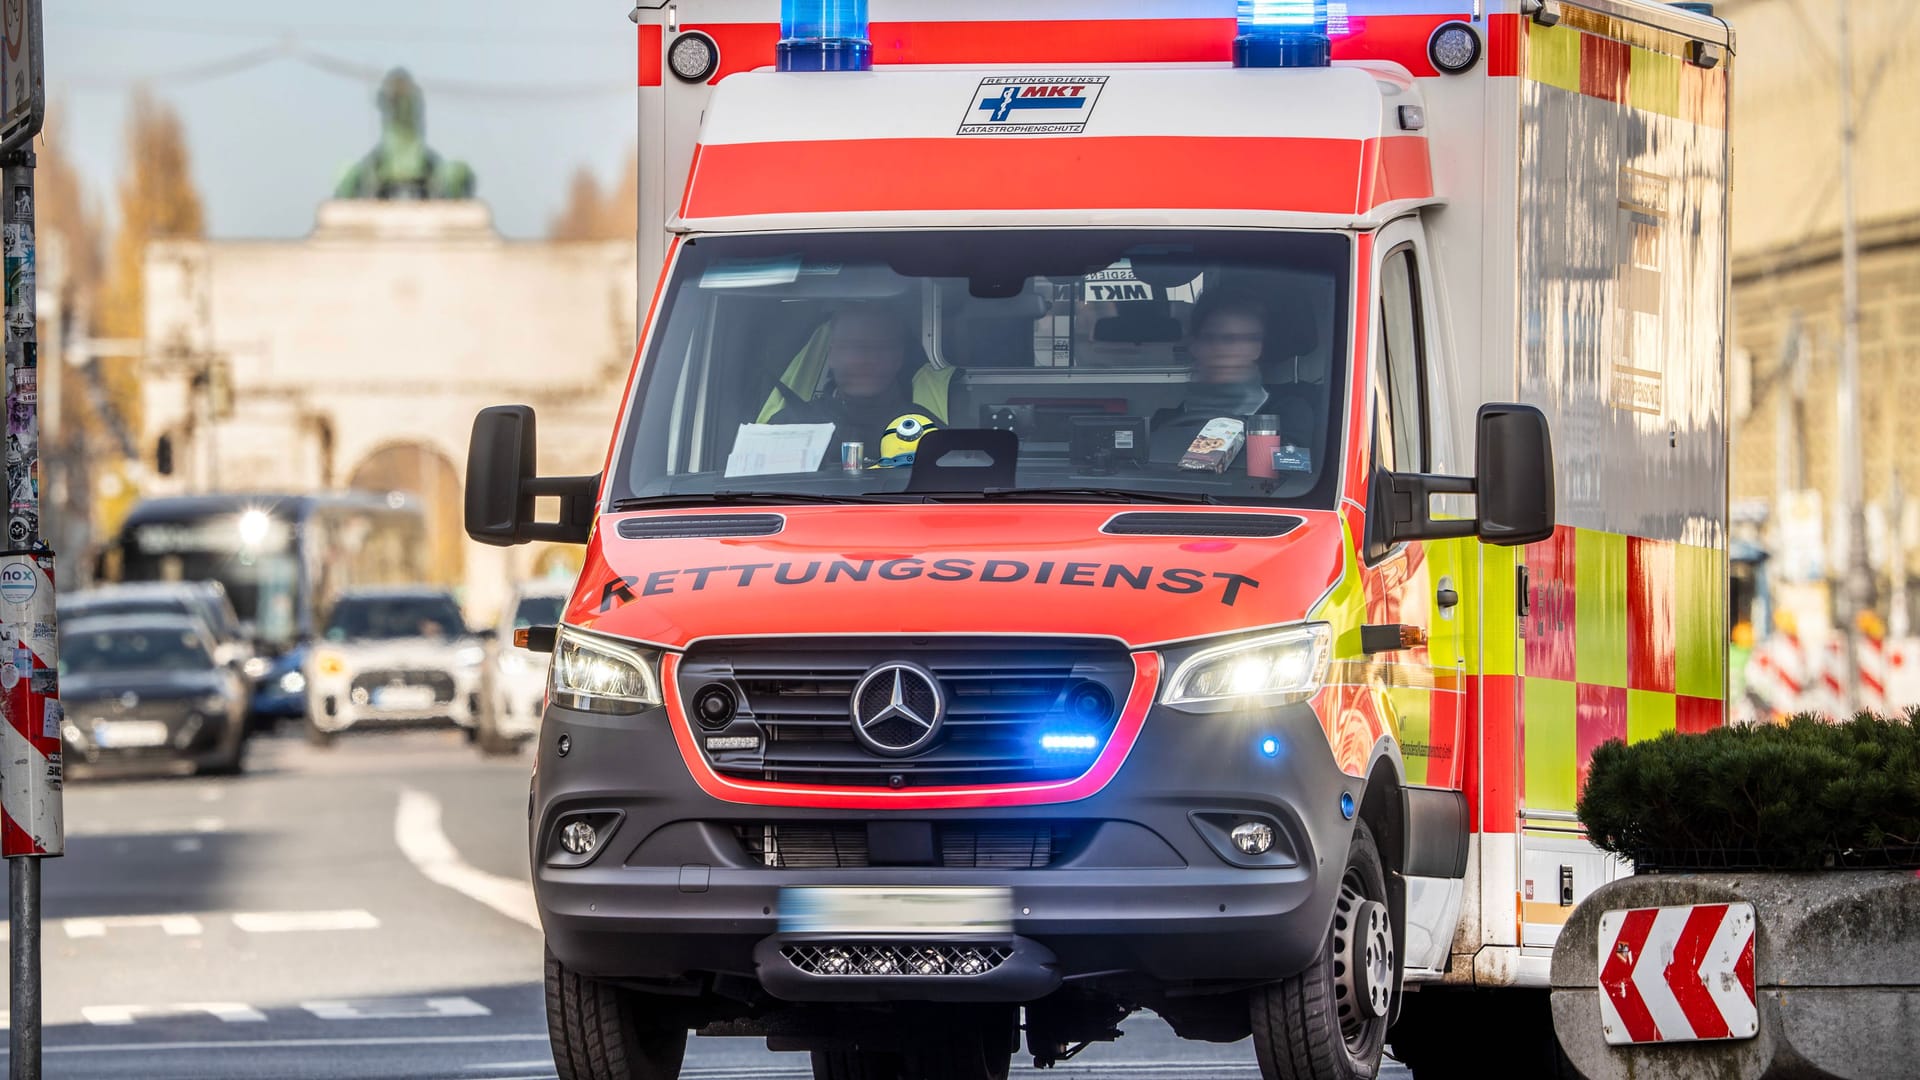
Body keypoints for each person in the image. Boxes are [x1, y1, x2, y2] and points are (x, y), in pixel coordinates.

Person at [1152, 289, 1325, 463]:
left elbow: (1294, 469)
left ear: (1258, 349)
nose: (1224, 350)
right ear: (1195, 346)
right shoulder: (1164, 420)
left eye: (1243, 339)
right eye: (1211, 338)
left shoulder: (1290, 413)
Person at [769, 304, 949, 457]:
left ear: (898, 358)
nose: (866, 359)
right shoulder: (787, 428)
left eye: (880, 347)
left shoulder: (927, 433)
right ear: (831, 355)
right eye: (853, 347)